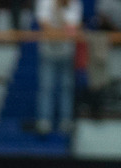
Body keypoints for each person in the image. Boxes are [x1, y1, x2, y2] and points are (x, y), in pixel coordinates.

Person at [35, 0, 82, 135]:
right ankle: (44, 121)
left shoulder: (73, 3)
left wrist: (61, 11)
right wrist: (55, 9)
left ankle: (65, 121)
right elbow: (43, 25)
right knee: (46, 87)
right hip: (48, 51)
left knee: (66, 87)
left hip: (67, 51)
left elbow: (74, 27)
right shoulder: (44, 2)